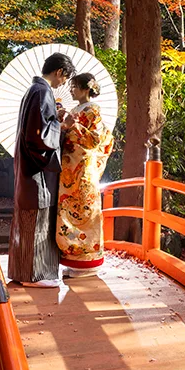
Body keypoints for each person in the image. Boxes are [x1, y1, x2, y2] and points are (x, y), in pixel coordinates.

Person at [10, 52, 75, 287]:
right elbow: (39, 137)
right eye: (65, 79)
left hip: (27, 167)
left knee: (28, 223)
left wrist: (53, 119)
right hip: (36, 171)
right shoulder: (42, 91)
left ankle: (22, 272)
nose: (64, 84)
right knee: (37, 222)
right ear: (59, 72)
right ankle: (33, 276)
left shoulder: (33, 91)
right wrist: (62, 125)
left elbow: (38, 126)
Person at [56, 73, 114, 277]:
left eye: (75, 86)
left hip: (83, 168)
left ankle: (89, 263)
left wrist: (75, 126)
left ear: (87, 88)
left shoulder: (93, 110)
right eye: (71, 86)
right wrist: (61, 121)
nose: (71, 90)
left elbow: (95, 141)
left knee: (85, 213)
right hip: (69, 169)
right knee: (66, 213)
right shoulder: (75, 109)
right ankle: (72, 261)